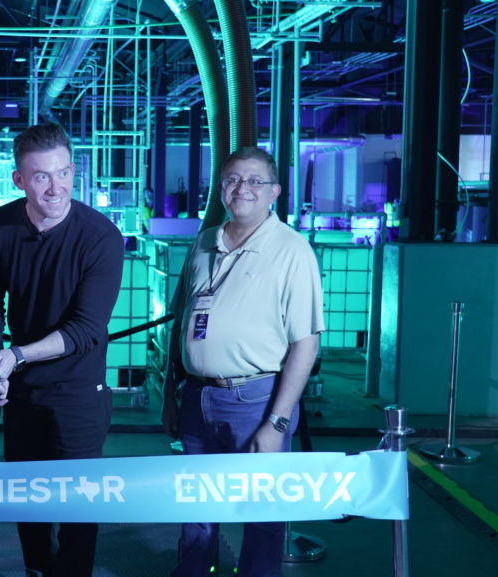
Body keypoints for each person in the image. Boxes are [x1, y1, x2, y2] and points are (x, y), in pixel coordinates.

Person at [161, 146, 324, 577]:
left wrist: (277, 423)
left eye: (255, 181)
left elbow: (305, 344)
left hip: (255, 399)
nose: (242, 188)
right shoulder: (204, 242)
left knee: (262, 508)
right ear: (220, 189)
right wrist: (170, 393)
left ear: (275, 192)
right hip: (197, 394)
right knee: (197, 502)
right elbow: (181, 322)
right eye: (232, 179)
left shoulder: (292, 251)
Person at [0, 121, 124, 577]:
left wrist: (16, 356)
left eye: (63, 173)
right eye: (41, 176)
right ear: (19, 179)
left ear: (74, 171)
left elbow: (86, 329)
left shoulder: (100, 237)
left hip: (79, 394)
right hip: (22, 394)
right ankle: (36, 570)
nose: (56, 188)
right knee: (28, 502)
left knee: (78, 512)